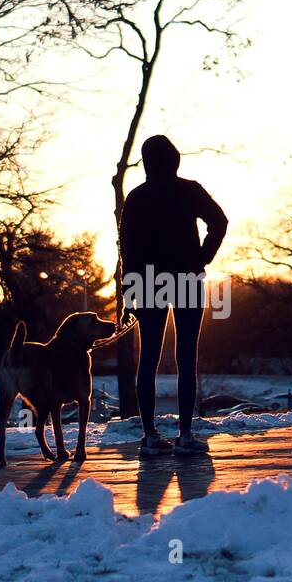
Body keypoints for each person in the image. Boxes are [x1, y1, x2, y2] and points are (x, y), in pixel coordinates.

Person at [119, 135, 228, 455]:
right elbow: (219, 221)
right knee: (186, 357)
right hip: (186, 278)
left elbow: (127, 247)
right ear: (175, 159)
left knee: (148, 358)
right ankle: (185, 435)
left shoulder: (137, 196)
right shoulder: (189, 190)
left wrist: (128, 292)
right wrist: (203, 257)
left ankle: (149, 436)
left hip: (148, 282)